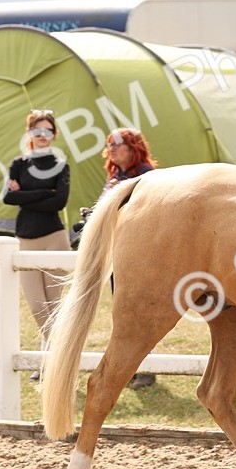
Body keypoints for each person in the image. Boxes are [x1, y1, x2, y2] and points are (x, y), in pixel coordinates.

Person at [3, 109, 71, 382]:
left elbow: (59, 202)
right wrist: (44, 191)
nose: (42, 136)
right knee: (37, 306)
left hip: (54, 238)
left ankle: (48, 364)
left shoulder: (61, 164)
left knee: (55, 305)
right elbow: (9, 198)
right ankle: (55, 358)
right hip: (25, 239)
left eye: (48, 131)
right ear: (29, 133)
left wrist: (25, 195)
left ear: (54, 135)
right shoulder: (18, 163)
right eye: (37, 131)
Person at [95, 127, 159, 389]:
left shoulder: (150, 178)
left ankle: (148, 370)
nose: (111, 149)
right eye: (109, 145)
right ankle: (132, 368)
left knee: (144, 313)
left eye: (116, 145)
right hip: (120, 253)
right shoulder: (114, 176)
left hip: (143, 256)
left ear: (132, 148)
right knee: (123, 314)